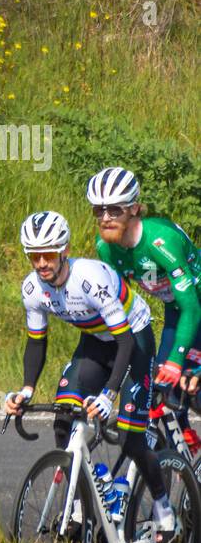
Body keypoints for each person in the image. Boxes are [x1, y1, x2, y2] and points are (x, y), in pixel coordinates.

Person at [1, 210, 176, 543]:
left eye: (48, 253)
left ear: (63, 249)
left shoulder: (90, 279)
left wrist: (110, 393)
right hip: (95, 343)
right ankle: (81, 502)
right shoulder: (33, 288)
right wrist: (26, 390)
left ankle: (163, 506)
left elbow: (125, 342)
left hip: (133, 340)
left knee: (130, 435)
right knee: (65, 418)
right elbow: (37, 341)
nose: (40, 263)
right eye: (33, 255)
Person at [86, 167, 201, 455]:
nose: (105, 218)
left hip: (193, 307)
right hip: (177, 311)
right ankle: (184, 453)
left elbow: (192, 307)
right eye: (98, 211)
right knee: (161, 385)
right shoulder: (107, 249)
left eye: (114, 210)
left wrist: (179, 361)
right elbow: (116, 308)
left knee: (188, 379)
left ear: (134, 208)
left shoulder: (161, 242)